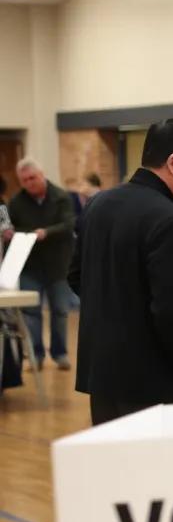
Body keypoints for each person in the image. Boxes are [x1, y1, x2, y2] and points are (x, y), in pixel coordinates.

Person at [68, 119, 173, 425]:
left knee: (117, 470)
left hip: (103, 376)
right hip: (155, 379)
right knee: (163, 471)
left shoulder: (97, 205)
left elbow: (77, 276)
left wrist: (119, 311)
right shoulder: (170, 219)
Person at [7, 158, 76, 371]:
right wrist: (8, 233)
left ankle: (60, 353)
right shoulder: (16, 201)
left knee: (60, 311)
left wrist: (46, 232)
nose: (29, 183)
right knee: (31, 312)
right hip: (29, 265)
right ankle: (36, 354)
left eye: (32, 178)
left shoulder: (61, 197)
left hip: (58, 265)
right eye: (24, 180)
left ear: (42, 174)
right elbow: (9, 225)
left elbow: (68, 224)